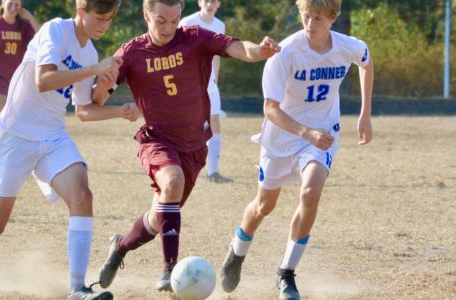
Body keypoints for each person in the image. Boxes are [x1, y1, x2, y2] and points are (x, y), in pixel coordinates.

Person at [0, 1, 138, 300]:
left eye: (110, 19)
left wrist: (117, 108)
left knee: (82, 195)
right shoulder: (55, 30)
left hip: (52, 136)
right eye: (99, 17)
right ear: (81, 9)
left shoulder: (90, 52)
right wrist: (93, 70)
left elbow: (82, 110)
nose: (104, 25)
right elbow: (44, 81)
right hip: (15, 135)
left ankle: (77, 288)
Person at [95, 0, 280, 293]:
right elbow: (98, 96)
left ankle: (119, 247)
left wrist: (260, 51)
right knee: (172, 180)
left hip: (193, 146)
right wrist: (101, 84)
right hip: (156, 140)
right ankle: (170, 269)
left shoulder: (195, 38)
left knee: (158, 219)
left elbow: (238, 48)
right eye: (160, 21)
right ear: (146, 15)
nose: (168, 28)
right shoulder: (131, 53)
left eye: (174, 20)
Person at [219, 0, 374, 299]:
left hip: (323, 135)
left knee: (310, 191)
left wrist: (365, 113)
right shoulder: (285, 53)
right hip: (281, 138)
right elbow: (270, 109)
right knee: (264, 205)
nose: (310, 24)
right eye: (306, 16)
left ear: (333, 18)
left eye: (318, 18)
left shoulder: (347, 46)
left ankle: (286, 273)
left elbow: (367, 63)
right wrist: (305, 132)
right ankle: (237, 252)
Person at [179, 0, 231, 183]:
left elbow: (216, 54)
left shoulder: (219, 25)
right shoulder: (187, 22)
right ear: (200, 2)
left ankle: (213, 171)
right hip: (189, 81)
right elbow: (177, 53)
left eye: (214, 0)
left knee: (214, 120)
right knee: (189, 123)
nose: (210, 3)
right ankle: (181, 168)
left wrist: (214, 79)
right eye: (206, 0)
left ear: (219, 4)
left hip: (209, 82)